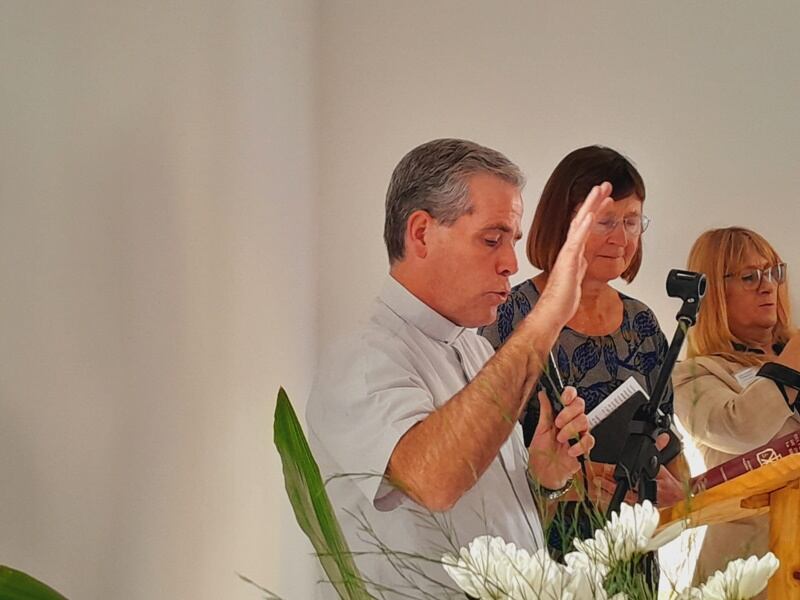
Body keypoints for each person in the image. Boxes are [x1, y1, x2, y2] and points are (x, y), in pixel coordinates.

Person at [306, 138, 608, 597]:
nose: (510, 264)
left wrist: (541, 478)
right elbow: (434, 482)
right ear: (422, 233)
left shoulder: (476, 350)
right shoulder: (362, 361)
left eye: (512, 242)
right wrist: (547, 318)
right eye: (492, 239)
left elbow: (482, 519)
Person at [479, 145, 687, 558]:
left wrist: (675, 492)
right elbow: (478, 460)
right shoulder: (510, 316)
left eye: (632, 221)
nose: (622, 238)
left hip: (632, 555)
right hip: (536, 556)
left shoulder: (641, 323)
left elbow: (668, 435)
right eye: (605, 221)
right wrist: (569, 485)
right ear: (564, 224)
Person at [673, 227, 800, 597]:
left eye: (773, 272)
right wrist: (789, 363)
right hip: (747, 570)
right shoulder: (694, 375)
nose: (767, 286)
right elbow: (741, 430)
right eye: (749, 276)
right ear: (712, 292)